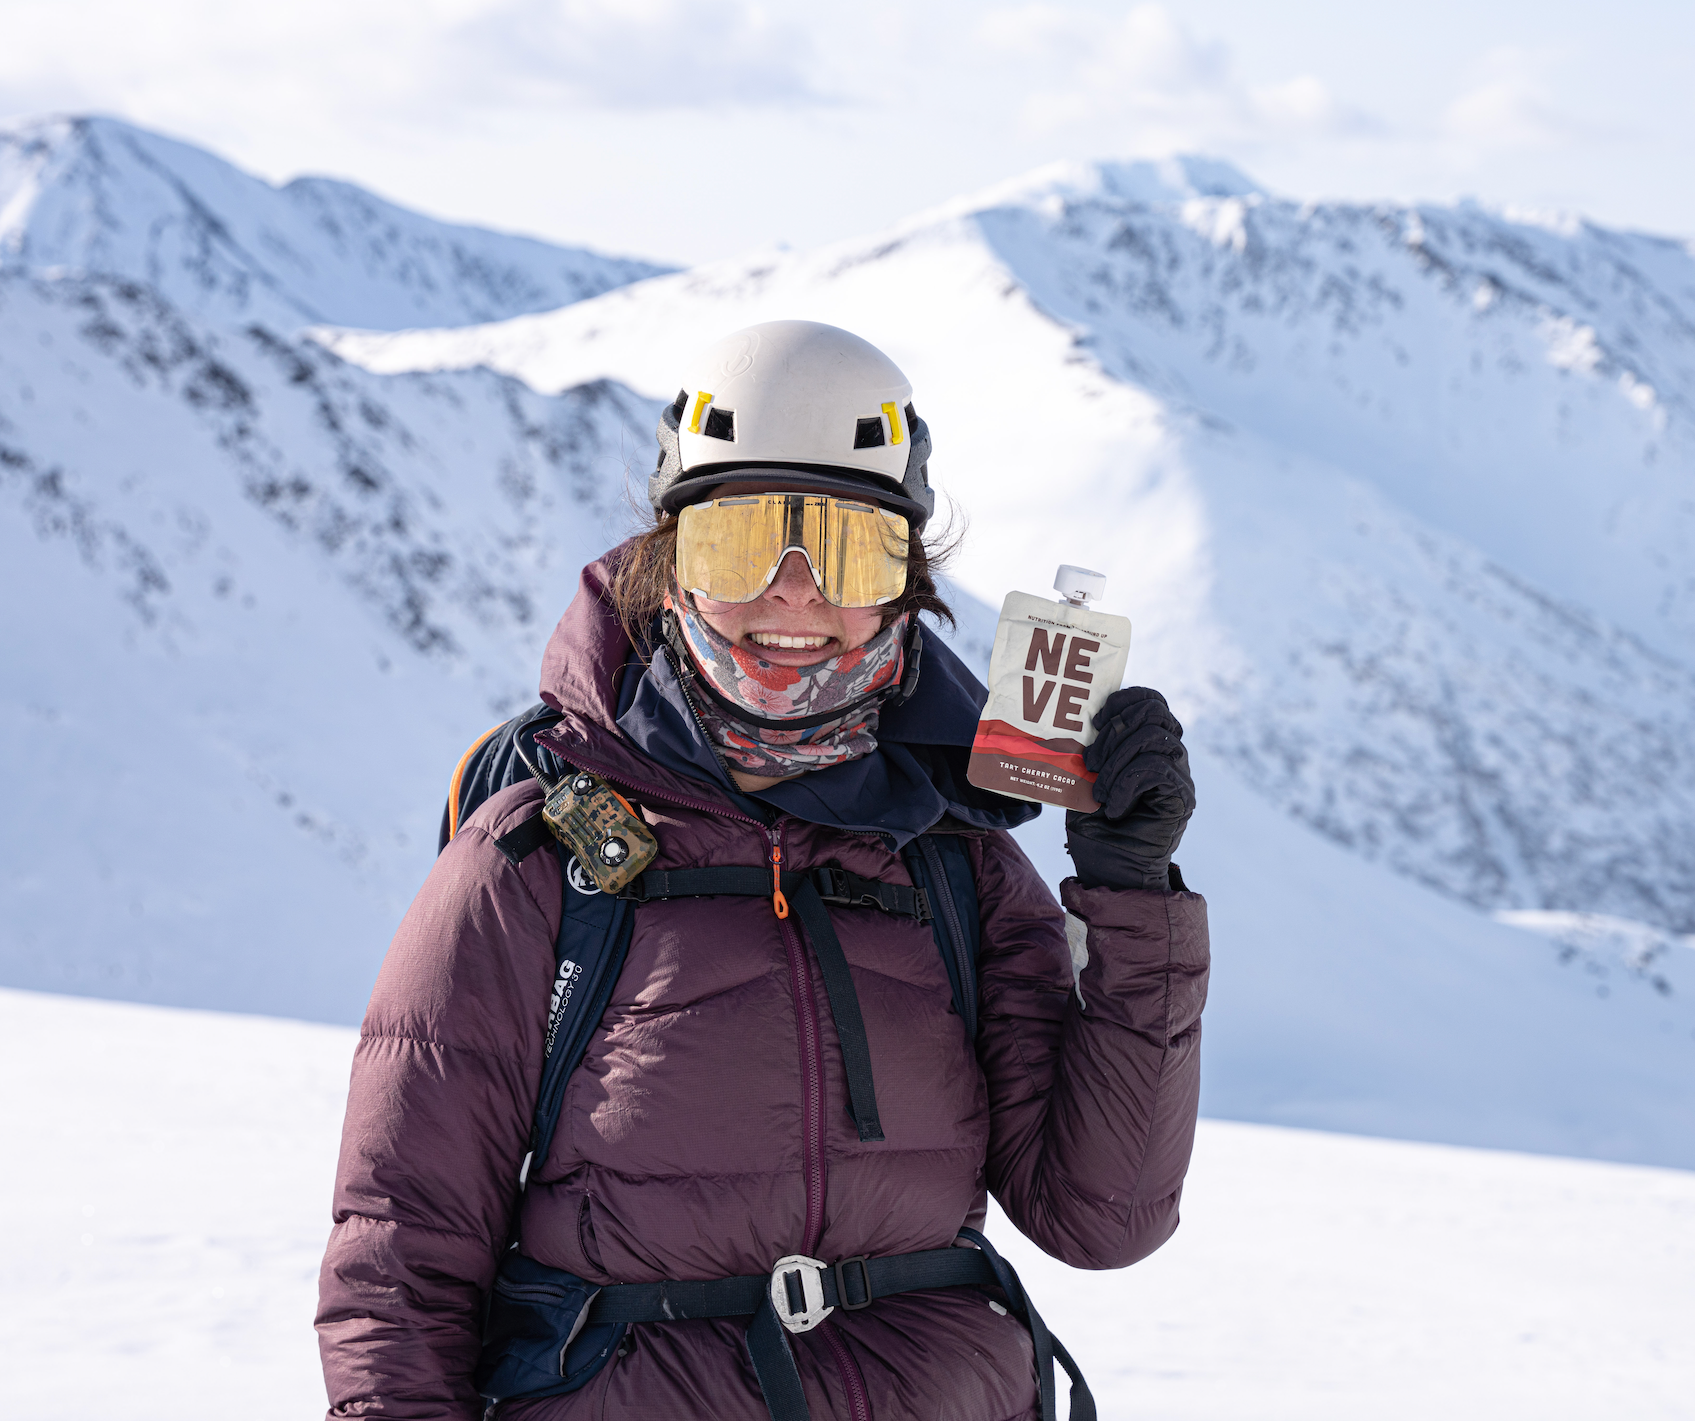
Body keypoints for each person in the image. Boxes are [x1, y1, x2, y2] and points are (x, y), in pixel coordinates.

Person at [316, 320, 1210, 1420]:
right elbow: (403, 1249)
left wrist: (1132, 897)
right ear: (671, 566)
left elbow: (1103, 1217)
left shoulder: (951, 856)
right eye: (739, 546)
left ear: (907, 583)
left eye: (845, 549)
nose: (793, 595)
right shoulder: (539, 854)